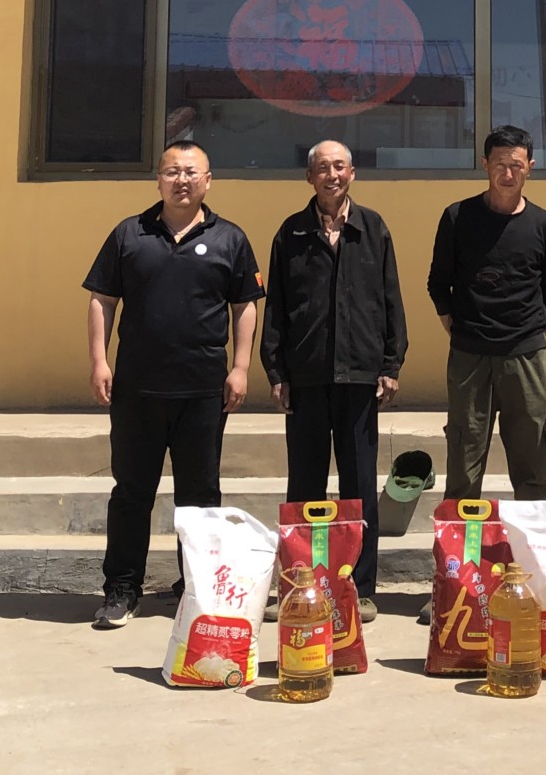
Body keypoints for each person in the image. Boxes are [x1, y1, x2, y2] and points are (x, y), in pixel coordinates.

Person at [83, 140, 261, 629]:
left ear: (208, 180)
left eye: (191, 172)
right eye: (172, 172)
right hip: (137, 389)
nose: (182, 180)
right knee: (131, 492)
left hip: (203, 390)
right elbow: (102, 299)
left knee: (200, 497)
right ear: (158, 179)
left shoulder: (230, 238)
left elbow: (245, 305)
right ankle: (122, 589)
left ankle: (197, 587)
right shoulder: (129, 234)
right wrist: (99, 362)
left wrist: (240, 367)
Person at [261, 139, 407, 623]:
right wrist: (276, 371)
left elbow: (391, 300)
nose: (331, 175)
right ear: (309, 177)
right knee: (304, 485)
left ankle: (360, 588)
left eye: (339, 166)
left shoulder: (373, 229)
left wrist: (391, 364)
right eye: (322, 168)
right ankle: (299, 583)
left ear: (352, 173)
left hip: (360, 376)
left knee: (358, 485)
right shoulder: (291, 233)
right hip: (305, 377)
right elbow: (277, 308)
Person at [428, 125, 546, 503]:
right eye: (500, 164)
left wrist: (532, 331)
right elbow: (439, 283)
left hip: (526, 356)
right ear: (485, 164)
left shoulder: (545, 225)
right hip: (469, 355)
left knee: (533, 460)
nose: (508, 173)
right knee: (464, 460)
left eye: (517, 165)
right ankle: (461, 542)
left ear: (530, 167)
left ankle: (531, 537)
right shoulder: (458, 217)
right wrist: (458, 327)